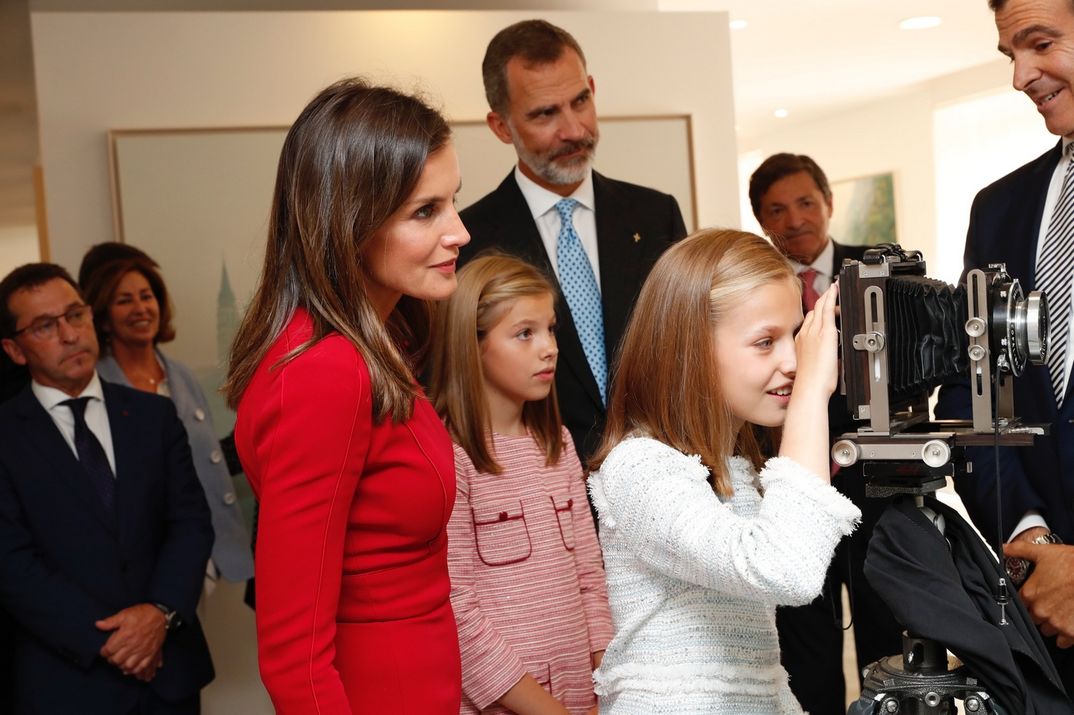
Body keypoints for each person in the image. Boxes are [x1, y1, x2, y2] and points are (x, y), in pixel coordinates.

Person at [223, 77, 469, 714]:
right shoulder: (324, 370)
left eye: (453, 203)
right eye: (426, 211)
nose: (459, 232)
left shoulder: (376, 341)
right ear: (350, 221)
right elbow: (293, 654)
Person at [586, 229, 861, 713]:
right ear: (689, 348)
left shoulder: (735, 467)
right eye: (764, 342)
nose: (794, 362)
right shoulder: (639, 468)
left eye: (796, 335)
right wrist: (813, 396)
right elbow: (787, 569)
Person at [459, 19, 688, 462]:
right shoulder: (469, 242)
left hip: (661, 485)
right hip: (536, 490)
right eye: (545, 114)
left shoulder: (656, 215)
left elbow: (685, 353)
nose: (574, 130)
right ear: (501, 126)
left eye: (580, 101)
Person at [0, 262, 214, 714]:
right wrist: (116, 642)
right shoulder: (6, 436)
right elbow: (11, 562)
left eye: (75, 315)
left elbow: (191, 523)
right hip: (67, 683)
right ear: (14, 351)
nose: (69, 334)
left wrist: (159, 614)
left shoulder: (153, 416)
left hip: (168, 675)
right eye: (44, 326)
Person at [934, 0, 1074, 690]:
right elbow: (971, 394)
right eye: (1009, 54)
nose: (1020, 76)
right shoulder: (999, 208)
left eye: (1039, 44)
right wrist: (1034, 542)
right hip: (1043, 633)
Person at [748, 153, 901, 713]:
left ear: (829, 202)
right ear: (762, 221)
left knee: (885, 632)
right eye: (777, 210)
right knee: (805, 643)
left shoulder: (880, 272)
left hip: (876, 486)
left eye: (806, 203)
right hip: (790, 481)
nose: (794, 220)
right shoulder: (758, 289)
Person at [429, 254, 613, 714]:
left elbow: (590, 576)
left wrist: (606, 683)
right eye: (524, 333)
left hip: (582, 694)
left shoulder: (558, 443)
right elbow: (456, 608)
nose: (549, 347)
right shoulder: (450, 455)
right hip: (505, 702)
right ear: (471, 345)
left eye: (550, 329)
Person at [81, 254, 254, 592]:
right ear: (103, 317)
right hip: (138, 558)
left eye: (146, 297)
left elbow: (206, 460)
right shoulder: (94, 384)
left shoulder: (183, 377)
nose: (140, 308)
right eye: (124, 300)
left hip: (202, 549)